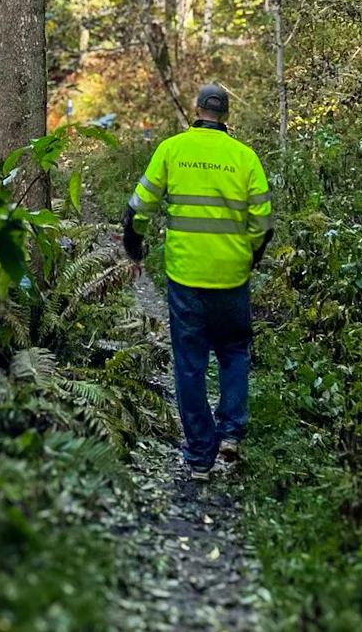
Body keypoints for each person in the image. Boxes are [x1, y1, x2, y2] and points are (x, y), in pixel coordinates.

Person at [122, 83, 272, 480]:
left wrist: (134, 247)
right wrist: (251, 256)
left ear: (197, 109)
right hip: (232, 276)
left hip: (186, 276)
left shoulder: (172, 149)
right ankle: (231, 434)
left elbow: (138, 208)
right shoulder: (245, 158)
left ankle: (199, 457)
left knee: (190, 363)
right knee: (234, 352)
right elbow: (263, 223)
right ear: (226, 114)